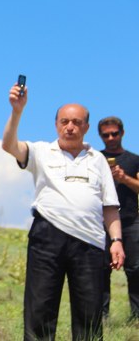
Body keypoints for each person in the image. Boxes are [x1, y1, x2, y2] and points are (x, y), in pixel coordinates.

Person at [2, 83, 125, 341]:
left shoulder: (98, 159)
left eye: (76, 122)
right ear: (56, 124)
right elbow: (9, 145)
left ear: (86, 127)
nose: (70, 126)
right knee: (40, 310)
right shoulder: (40, 151)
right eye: (64, 121)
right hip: (47, 236)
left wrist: (116, 240)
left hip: (90, 242)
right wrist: (17, 111)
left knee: (90, 313)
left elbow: (109, 206)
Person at [98, 116, 139, 322]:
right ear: (100, 136)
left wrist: (124, 178)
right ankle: (102, 317)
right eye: (106, 135)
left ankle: (137, 316)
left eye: (114, 133)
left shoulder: (134, 160)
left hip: (131, 221)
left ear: (122, 133)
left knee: (136, 270)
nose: (111, 138)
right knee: (100, 270)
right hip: (100, 222)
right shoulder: (94, 159)